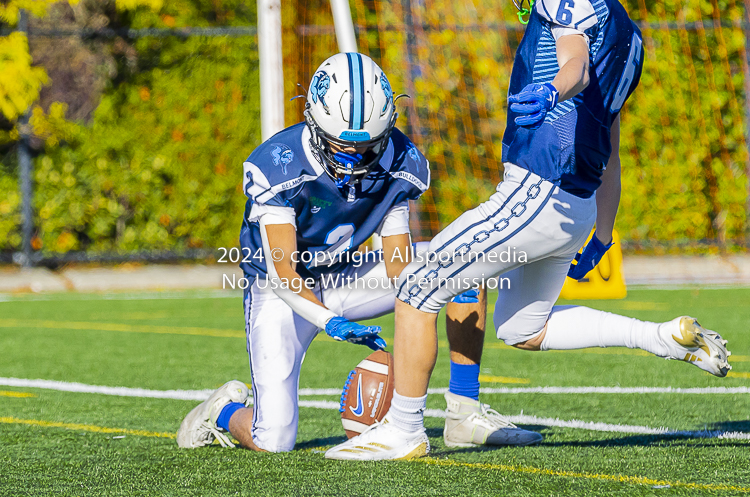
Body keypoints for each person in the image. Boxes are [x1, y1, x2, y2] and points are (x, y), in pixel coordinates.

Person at [325, 0, 731, 461]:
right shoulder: (629, 35)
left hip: (539, 189)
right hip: (577, 204)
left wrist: (554, 92)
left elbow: (575, 66)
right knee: (523, 328)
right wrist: (602, 231)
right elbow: (611, 145)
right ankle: (659, 337)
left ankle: (403, 429)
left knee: (417, 286)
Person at [176, 52, 542, 452]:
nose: (352, 159)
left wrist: (421, 305)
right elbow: (283, 273)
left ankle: (463, 413)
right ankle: (222, 410)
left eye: (366, 146)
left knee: (460, 264)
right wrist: (329, 320)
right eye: (339, 146)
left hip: (347, 274)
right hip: (281, 291)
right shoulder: (279, 164)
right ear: (314, 123)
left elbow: (398, 263)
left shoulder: (400, 160)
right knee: (273, 440)